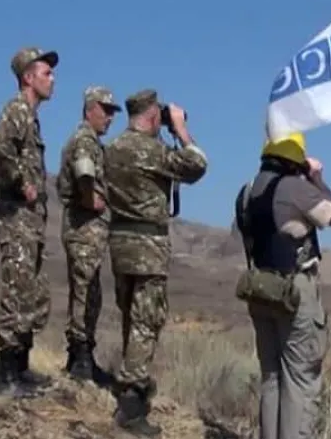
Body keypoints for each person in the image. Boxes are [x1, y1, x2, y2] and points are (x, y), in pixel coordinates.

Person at [104, 89, 208, 435]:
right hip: (148, 245)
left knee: (130, 317)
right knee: (146, 321)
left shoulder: (113, 148)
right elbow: (197, 165)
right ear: (152, 117)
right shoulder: (151, 151)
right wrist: (180, 130)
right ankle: (131, 404)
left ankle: (130, 383)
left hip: (120, 242)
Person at [233, 132, 331, 439]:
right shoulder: (295, 188)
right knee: (300, 379)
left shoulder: (247, 191)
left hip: (260, 289)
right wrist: (318, 180)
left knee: (271, 377)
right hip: (293, 291)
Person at [0, 46, 59, 398]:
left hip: (31, 222)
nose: (52, 80)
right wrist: (18, 183)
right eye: (46, 73)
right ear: (28, 78)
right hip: (17, 220)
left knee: (32, 293)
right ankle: (7, 376)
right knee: (17, 293)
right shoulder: (15, 110)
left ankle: (22, 368)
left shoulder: (29, 117)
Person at [56, 86, 121, 382]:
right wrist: (89, 198)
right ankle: (80, 358)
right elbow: (84, 172)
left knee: (90, 291)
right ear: (90, 108)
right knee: (84, 292)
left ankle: (82, 356)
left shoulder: (92, 142)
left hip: (90, 230)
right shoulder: (84, 140)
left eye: (112, 112)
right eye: (105, 111)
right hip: (83, 229)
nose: (109, 118)